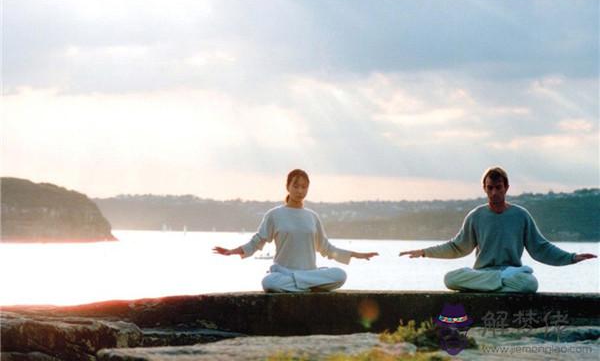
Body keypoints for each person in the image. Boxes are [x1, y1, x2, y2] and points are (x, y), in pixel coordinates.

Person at [399, 166, 596, 293]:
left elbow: (541, 248)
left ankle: (496, 281)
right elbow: (457, 247)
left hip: (510, 273)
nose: (494, 192)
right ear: (484, 188)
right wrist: (425, 252)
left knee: (530, 284)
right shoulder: (476, 216)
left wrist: (571, 257)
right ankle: (499, 280)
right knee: (449, 279)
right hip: (483, 273)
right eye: (490, 188)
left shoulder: (521, 215)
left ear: (506, 187)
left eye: (498, 187)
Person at [213, 169, 379, 293]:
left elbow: (326, 248)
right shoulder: (275, 215)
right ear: (288, 187)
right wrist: (232, 251)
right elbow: (257, 241)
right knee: (269, 282)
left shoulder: (312, 216)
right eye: (296, 186)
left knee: (340, 275)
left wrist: (357, 254)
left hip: (309, 272)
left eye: (304, 187)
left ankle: (300, 284)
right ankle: (308, 285)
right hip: (284, 273)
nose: (300, 191)